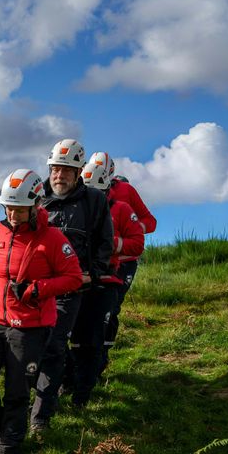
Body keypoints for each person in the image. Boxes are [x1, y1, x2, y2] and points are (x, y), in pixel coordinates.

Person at [0, 169, 83, 454]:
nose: (13, 215)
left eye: (19, 209)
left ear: (35, 206)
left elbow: (74, 278)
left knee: (17, 386)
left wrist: (37, 289)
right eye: (8, 208)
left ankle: (10, 442)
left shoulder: (53, 238)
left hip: (30, 324)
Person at [28, 139, 113, 437]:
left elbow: (105, 242)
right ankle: (40, 398)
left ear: (79, 172)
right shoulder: (36, 196)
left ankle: (44, 414)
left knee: (57, 344)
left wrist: (94, 274)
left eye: (65, 170)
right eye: (55, 168)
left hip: (72, 288)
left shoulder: (95, 200)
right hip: (37, 288)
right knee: (36, 346)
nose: (59, 175)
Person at [63, 152, 146, 405]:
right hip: (73, 281)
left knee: (94, 337)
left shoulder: (121, 208)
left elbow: (138, 242)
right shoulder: (70, 209)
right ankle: (69, 380)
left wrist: (111, 244)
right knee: (64, 336)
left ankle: (83, 391)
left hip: (106, 279)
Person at [102, 164, 157, 371]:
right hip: (98, 261)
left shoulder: (126, 192)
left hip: (125, 260)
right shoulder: (85, 193)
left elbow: (150, 221)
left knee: (112, 307)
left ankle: (102, 356)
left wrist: (132, 230)